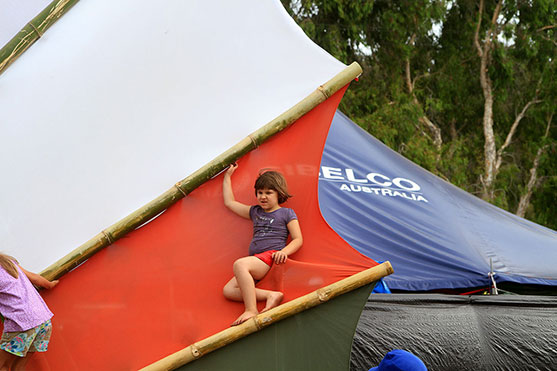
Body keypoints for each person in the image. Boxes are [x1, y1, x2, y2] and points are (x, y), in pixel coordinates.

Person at [222, 164, 303, 326]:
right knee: (228, 291)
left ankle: (251, 309)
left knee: (240, 264)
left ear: (279, 194)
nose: (263, 196)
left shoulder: (286, 213)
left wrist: (285, 252)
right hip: (256, 260)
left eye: (268, 192)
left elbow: (298, 239)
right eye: (260, 193)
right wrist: (227, 177)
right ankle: (270, 295)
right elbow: (230, 203)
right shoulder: (255, 212)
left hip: (271, 257)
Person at [0, 253, 58, 370]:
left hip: (21, 324)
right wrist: (50, 284)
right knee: (20, 367)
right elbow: (34, 278)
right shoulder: (8, 262)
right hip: (43, 321)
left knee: (2, 365)